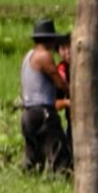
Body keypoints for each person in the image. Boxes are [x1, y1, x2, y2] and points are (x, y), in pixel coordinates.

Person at [19, 20, 72, 176]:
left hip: (28, 113)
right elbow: (60, 83)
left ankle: (28, 181)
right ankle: (62, 183)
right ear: (50, 39)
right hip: (43, 113)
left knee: (33, 155)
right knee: (60, 153)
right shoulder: (44, 56)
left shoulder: (29, 55)